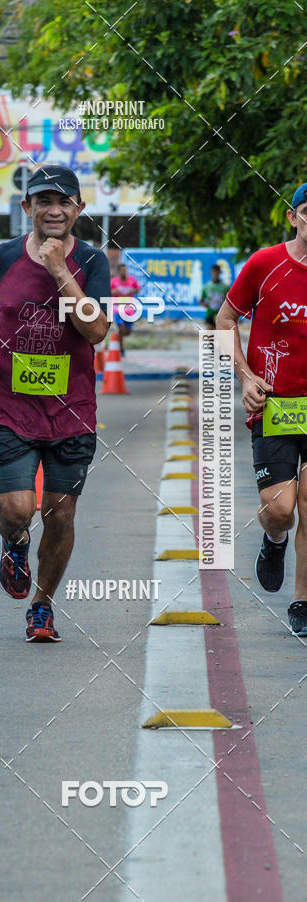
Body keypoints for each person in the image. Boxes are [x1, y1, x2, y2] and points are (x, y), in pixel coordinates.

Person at [0, 164, 110, 642]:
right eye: (43, 202)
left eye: (63, 202)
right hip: (10, 408)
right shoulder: (2, 257)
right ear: (27, 208)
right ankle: (14, 544)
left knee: (61, 515)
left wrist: (57, 269)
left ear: (78, 210)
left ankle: (42, 608)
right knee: (16, 510)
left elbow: (95, 330)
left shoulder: (92, 262)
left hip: (72, 412)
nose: (54, 210)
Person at [216, 182, 307, 636]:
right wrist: (246, 377)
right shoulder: (265, 264)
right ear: (293, 217)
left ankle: (302, 601)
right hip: (275, 405)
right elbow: (225, 320)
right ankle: (274, 540)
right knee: (282, 508)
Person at [110, 263, 140, 355]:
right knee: (121, 328)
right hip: (117, 308)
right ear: (119, 271)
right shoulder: (113, 281)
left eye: (125, 270)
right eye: (122, 270)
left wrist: (133, 290)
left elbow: (137, 288)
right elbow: (107, 291)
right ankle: (121, 348)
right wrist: (114, 291)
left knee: (128, 332)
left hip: (129, 308)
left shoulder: (132, 280)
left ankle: (119, 338)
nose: (124, 272)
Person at [200, 263, 230, 330]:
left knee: (223, 337)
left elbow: (230, 301)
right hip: (210, 314)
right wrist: (205, 304)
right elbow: (201, 300)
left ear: (220, 273)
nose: (215, 274)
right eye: (214, 272)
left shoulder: (225, 287)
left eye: (217, 272)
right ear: (211, 272)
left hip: (222, 315)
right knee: (209, 336)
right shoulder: (206, 287)